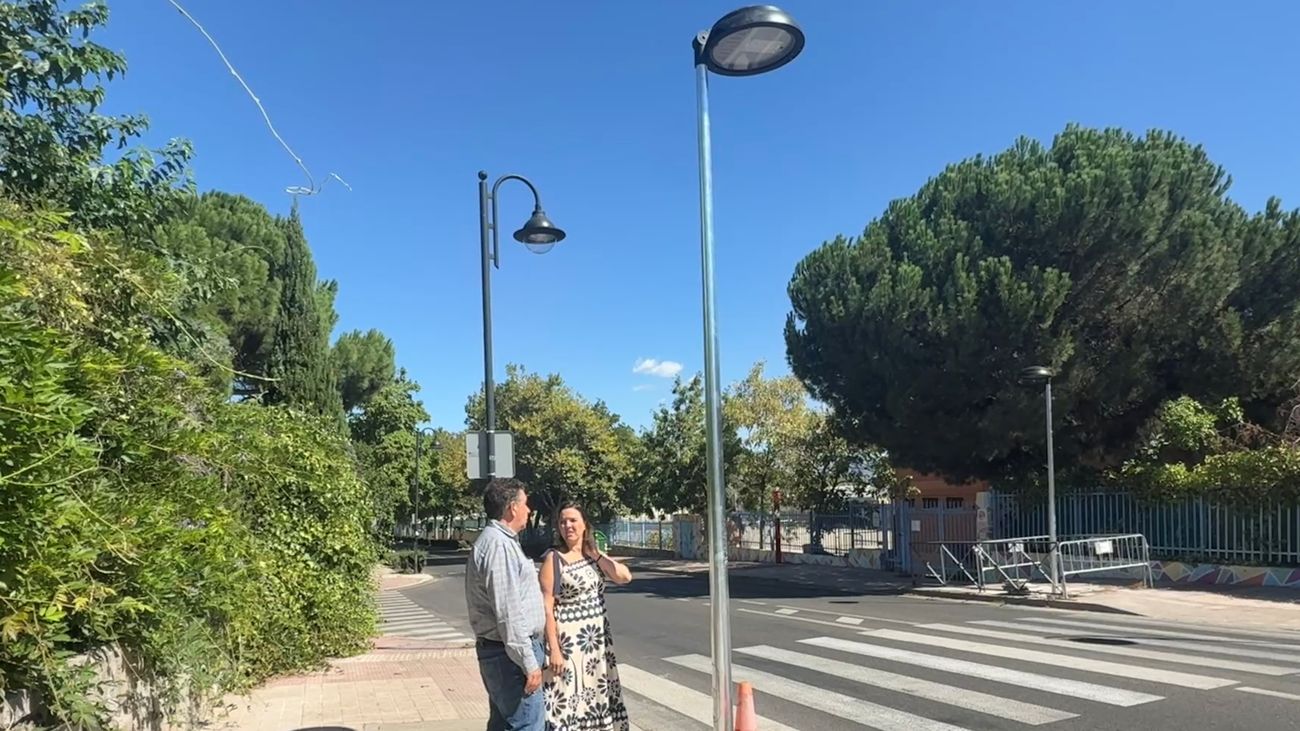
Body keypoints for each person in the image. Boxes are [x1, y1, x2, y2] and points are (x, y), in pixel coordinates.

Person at [539, 500, 632, 731]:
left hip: (597, 645)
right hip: (569, 645)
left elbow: (624, 577)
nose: (567, 525)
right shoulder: (554, 559)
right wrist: (554, 650)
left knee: (598, 698)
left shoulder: (594, 558)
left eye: (572, 520)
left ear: (584, 525)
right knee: (570, 702)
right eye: (562, 522)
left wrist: (597, 554)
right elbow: (546, 607)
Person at [466, 478, 546, 731]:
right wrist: (528, 662)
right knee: (527, 724)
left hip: (502, 653)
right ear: (512, 507)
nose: (529, 510)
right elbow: (508, 613)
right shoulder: (499, 546)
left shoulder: (499, 541)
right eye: (525, 504)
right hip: (509, 656)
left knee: (503, 724)